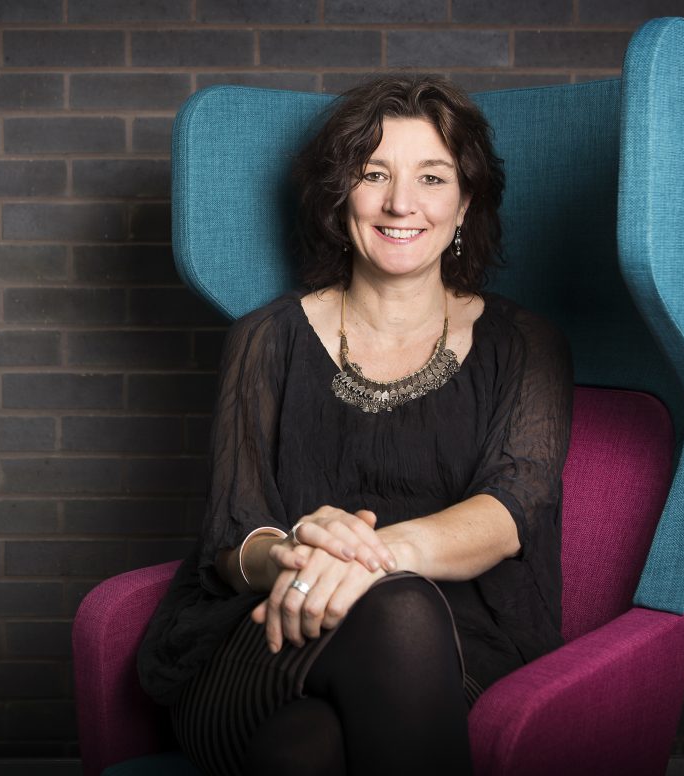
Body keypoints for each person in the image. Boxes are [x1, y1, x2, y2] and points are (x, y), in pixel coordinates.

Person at [138, 75, 573, 776]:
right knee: (369, 647)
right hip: (273, 632)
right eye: (374, 174)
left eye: (432, 177)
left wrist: (370, 560)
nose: (401, 202)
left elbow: (511, 512)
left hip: (451, 648)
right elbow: (232, 538)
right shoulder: (266, 337)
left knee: (307, 750)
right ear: (340, 195)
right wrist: (292, 555)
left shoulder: (525, 344)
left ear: (465, 202)